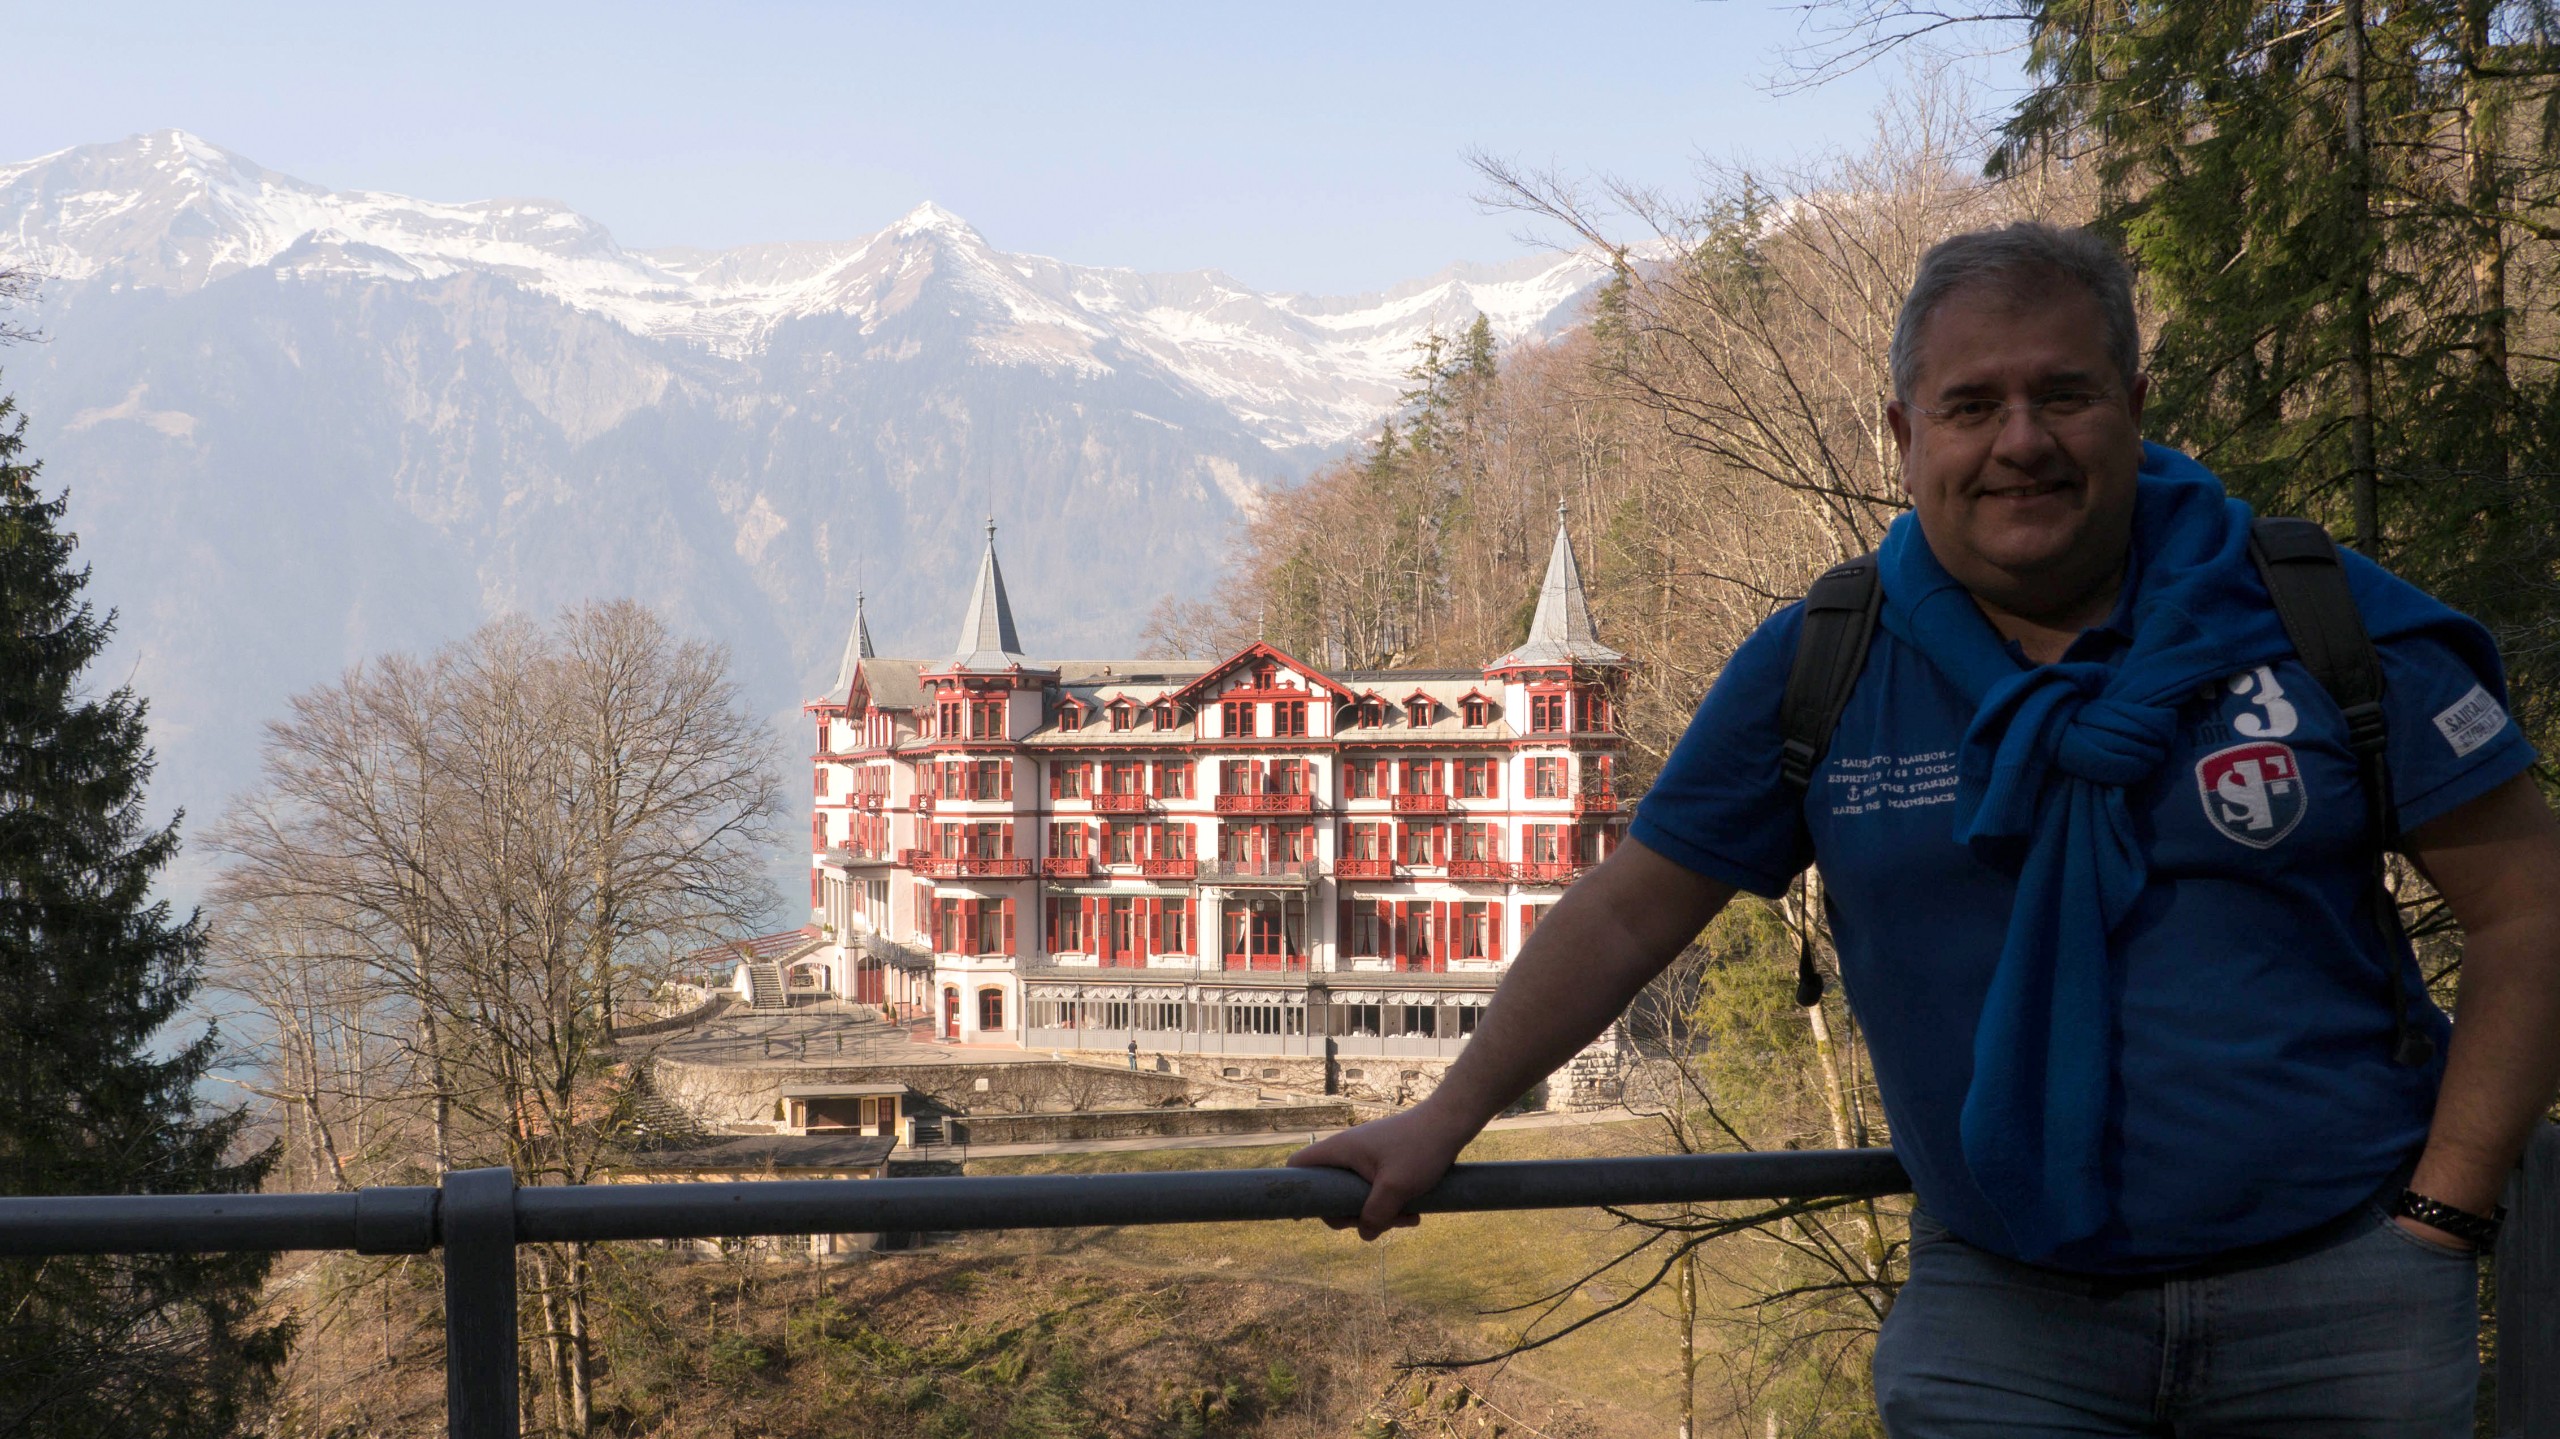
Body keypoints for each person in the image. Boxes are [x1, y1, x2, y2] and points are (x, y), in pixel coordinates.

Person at [1289, 222, 2560, 1435]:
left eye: (2064, 395)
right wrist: (1447, 1114)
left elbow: (2529, 908)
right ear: (1903, 434)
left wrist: (2444, 1210)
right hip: (2005, 1322)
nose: (2021, 441)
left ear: (2133, 405)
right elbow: (1628, 910)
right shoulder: (1824, 661)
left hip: (2338, 1296)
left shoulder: (2316, 619)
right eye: (1970, 405)